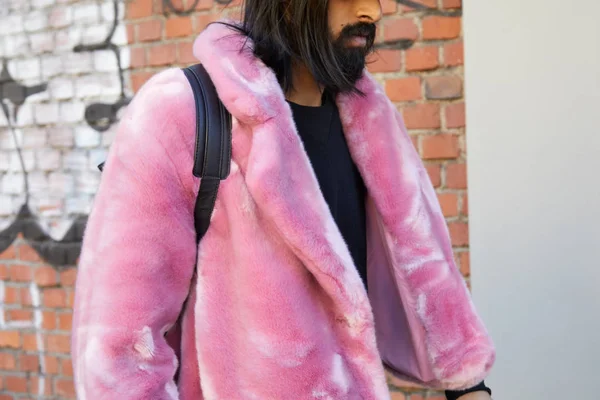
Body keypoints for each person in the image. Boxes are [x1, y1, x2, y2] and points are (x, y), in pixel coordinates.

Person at [71, 0, 495, 399]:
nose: (372, 10)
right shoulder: (178, 111)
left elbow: (425, 263)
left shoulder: (370, 117)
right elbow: (118, 349)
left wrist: (468, 383)